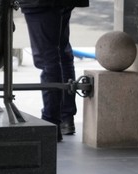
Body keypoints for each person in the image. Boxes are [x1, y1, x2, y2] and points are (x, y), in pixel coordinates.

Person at [19, 0, 89, 141]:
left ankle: (51, 122)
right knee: (61, 53)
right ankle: (65, 118)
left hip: (40, 3)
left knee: (48, 58)